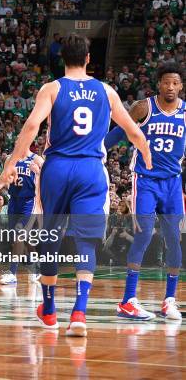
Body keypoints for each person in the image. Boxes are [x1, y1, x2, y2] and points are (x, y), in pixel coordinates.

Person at [0, 33, 151, 337]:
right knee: (86, 241)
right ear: (89, 59)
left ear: (61, 59)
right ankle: (79, 311)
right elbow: (132, 131)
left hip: (57, 168)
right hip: (91, 169)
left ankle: (50, 309)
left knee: (50, 236)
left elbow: (30, 126)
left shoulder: (52, 88)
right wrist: (145, 153)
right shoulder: (106, 91)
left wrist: (10, 165)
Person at [104, 62, 184, 321]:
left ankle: (169, 300)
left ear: (181, 86)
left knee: (174, 239)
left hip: (172, 183)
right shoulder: (144, 107)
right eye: (166, 82)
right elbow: (119, 131)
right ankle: (128, 300)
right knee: (144, 234)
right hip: (146, 180)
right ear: (158, 84)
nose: (170, 87)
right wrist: (97, 150)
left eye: (175, 82)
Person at [0, 150, 44, 285]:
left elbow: (50, 181)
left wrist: (39, 173)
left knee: (19, 236)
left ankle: (12, 273)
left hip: (30, 202)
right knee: (19, 240)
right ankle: (35, 265)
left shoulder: (37, 160)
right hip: (14, 202)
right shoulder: (10, 158)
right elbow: (2, 179)